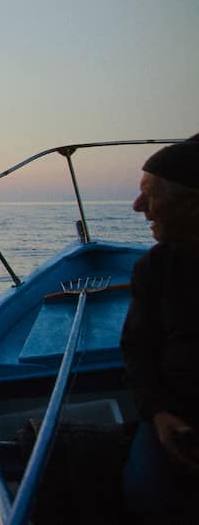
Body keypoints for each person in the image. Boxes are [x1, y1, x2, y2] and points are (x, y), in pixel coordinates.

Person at [120, 134, 199, 522]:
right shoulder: (152, 268)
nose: (138, 207)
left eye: (149, 196)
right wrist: (160, 414)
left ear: (192, 202)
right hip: (173, 414)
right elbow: (137, 349)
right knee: (145, 492)